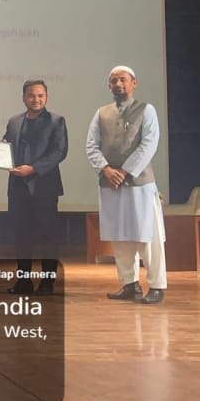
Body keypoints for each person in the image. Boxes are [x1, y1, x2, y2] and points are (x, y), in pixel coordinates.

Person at [86, 66, 166, 304]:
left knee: (147, 236)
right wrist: (106, 169)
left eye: (123, 80)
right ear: (109, 86)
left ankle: (156, 286)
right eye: (114, 81)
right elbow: (91, 145)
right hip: (110, 183)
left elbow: (149, 143)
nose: (118, 84)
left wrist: (124, 171)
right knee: (119, 237)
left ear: (134, 83)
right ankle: (129, 284)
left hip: (140, 184)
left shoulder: (146, 110)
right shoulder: (101, 113)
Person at [2, 80, 68, 296]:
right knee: (21, 236)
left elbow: (59, 151)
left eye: (40, 95)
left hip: (44, 187)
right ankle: (24, 281)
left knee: (48, 237)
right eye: (31, 95)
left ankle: (47, 282)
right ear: (24, 97)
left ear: (46, 97)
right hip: (18, 188)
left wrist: (33, 169)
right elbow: (6, 146)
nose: (36, 99)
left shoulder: (56, 121)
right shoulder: (14, 121)